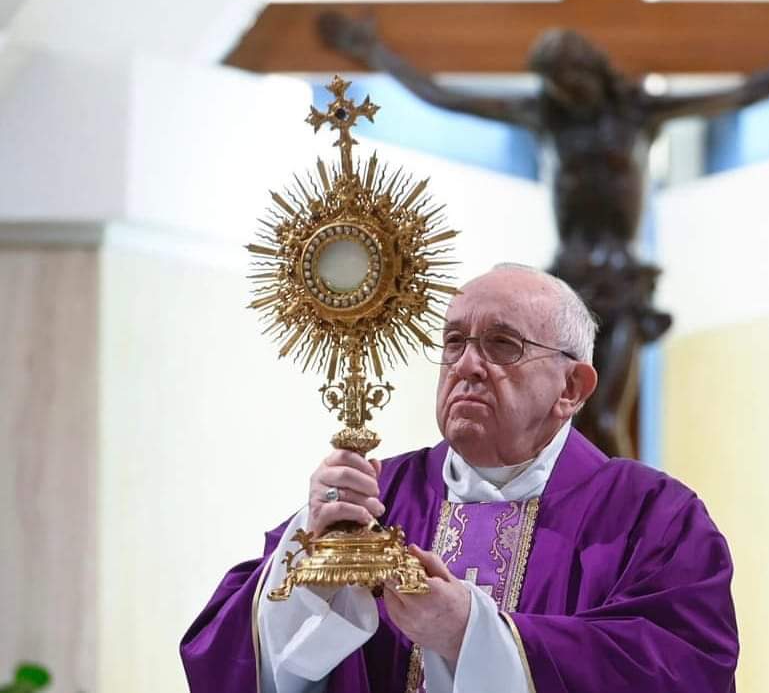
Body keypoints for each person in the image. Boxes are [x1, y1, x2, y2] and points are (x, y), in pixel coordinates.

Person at [318, 8, 769, 459]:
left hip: (623, 286)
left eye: (570, 78)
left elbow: (744, 93)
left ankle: (627, 524)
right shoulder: (546, 117)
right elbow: (446, 96)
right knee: (556, 418)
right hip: (567, 286)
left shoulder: (636, 115)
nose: (563, 90)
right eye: (554, 83)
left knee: (604, 416)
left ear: (590, 72)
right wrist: (374, 53)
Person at [181, 263, 739, 693]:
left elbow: (684, 669)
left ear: (571, 388)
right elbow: (225, 654)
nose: (468, 365)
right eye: (454, 342)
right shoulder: (376, 499)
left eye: (502, 344)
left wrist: (471, 633)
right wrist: (311, 574)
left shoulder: (652, 517)